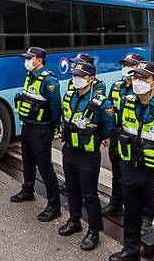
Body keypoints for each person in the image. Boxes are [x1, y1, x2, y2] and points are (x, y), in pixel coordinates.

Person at [109, 61, 154, 261]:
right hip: (130, 167)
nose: (137, 82)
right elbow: (119, 128)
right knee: (131, 212)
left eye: (143, 78)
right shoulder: (127, 101)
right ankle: (130, 251)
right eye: (136, 77)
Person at [58, 62, 115, 251]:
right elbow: (63, 118)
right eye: (74, 75)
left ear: (90, 79)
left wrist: (101, 137)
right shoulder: (69, 96)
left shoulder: (101, 103)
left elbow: (108, 128)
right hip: (69, 151)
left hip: (88, 155)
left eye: (80, 76)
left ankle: (94, 231)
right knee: (72, 189)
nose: (75, 78)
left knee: (90, 194)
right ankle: (74, 220)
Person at [11, 47, 62, 222]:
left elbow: (56, 107)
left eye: (29, 58)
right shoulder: (30, 76)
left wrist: (52, 126)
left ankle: (54, 206)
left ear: (39, 60)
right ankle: (28, 190)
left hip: (41, 129)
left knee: (45, 167)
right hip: (27, 127)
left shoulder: (49, 81)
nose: (26, 61)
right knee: (28, 161)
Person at [103, 52, 144, 217]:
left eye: (131, 65)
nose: (126, 68)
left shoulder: (142, 89)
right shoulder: (116, 86)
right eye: (124, 65)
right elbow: (108, 111)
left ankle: (137, 212)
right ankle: (115, 203)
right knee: (116, 173)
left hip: (134, 140)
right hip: (116, 137)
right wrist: (106, 133)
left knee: (134, 178)